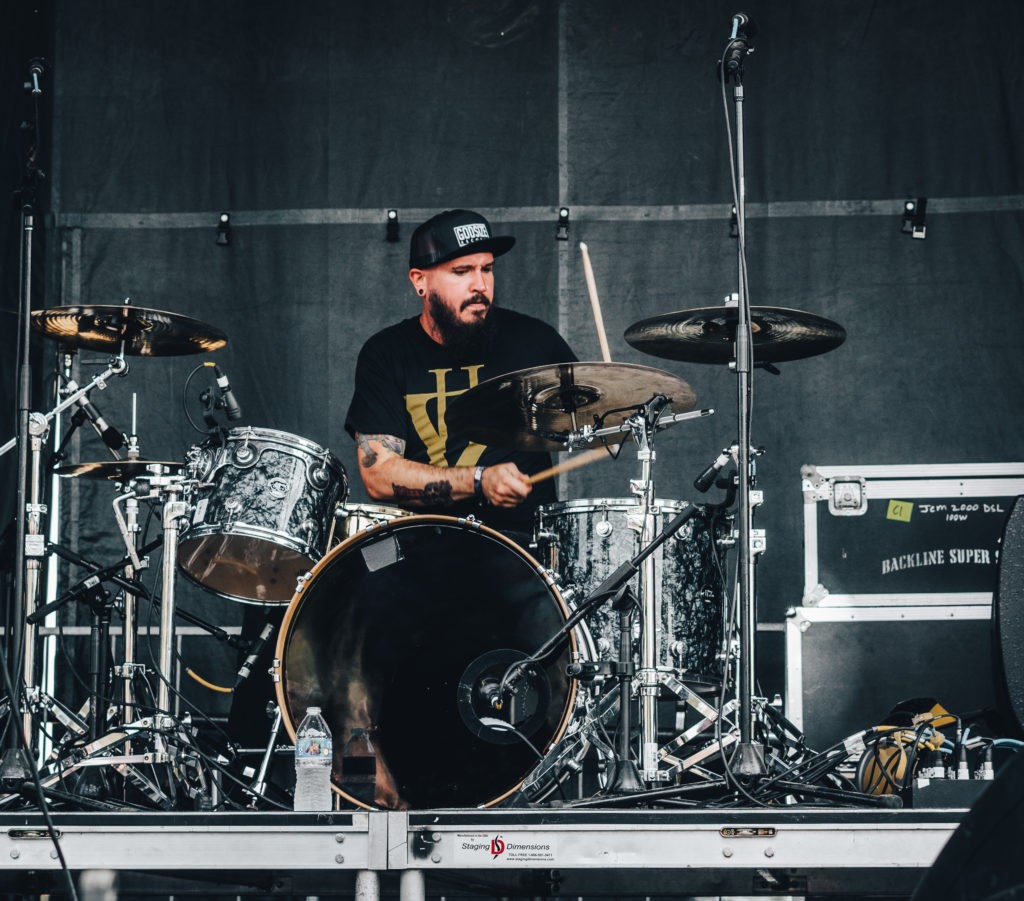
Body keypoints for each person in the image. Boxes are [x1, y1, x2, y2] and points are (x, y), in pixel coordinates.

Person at [344, 208, 577, 537]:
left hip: (522, 549)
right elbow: (378, 476)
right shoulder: (386, 354)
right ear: (420, 280)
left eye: (487, 269)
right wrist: (479, 480)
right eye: (462, 271)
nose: (480, 285)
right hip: (424, 548)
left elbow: (594, 413)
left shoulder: (535, 341)